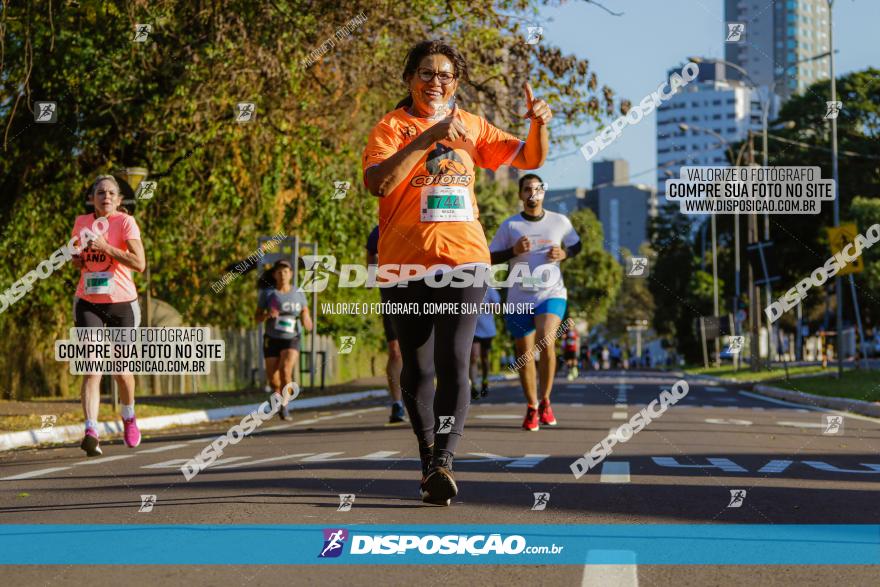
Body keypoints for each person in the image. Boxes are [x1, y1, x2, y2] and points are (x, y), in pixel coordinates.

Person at [362, 39, 551, 505]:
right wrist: (428, 137)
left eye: (445, 75)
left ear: (456, 82)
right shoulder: (391, 127)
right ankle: (428, 459)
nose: (436, 82)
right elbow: (378, 183)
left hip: (465, 262)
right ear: (409, 79)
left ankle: (445, 461)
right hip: (405, 265)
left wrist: (538, 123)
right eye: (426, 73)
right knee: (418, 367)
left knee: (454, 361)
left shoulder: (471, 126)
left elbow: (529, 159)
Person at [489, 174, 581, 431]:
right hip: (519, 297)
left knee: (546, 338)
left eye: (538, 189)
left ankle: (546, 400)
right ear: (520, 195)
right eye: (527, 189)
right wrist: (513, 251)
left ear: (543, 194)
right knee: (524, 352)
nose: (533, 193)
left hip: (551, 293)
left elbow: (576, 245)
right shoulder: (510, 227)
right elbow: (489, 256)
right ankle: (532, 406)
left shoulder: (559, 221)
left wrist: (564, 253)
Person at [72, 175, 147, 456]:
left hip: (122, 304)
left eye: (111, 193)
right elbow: (76, 256)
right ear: (92, 198)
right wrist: (78, 259)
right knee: (92, 367)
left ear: (118, 200)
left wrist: (106, 247)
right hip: (89, 301)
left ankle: (128, 414)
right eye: (100, 192)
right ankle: (91, 430)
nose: (105, 196)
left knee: (121, 371)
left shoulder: (126, 223)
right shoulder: (81, 222)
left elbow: (140, 263)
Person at [255, 260, 312, 421]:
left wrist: (306, 317)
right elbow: (257, 317)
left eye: (286, 271)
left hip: (292, 337)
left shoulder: (298, 292)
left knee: (286, 370)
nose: (283, 275)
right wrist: (266, 315)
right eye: (279, 272)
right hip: (272, 337)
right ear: (274, 274)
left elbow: (304, 308)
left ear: (291, 274)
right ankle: (278, 397)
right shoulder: (268, 293)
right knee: (273, 379)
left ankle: (284, 406)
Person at [366, 224, 406, 424]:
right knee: (395, 351)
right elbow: (371, 253)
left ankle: (424, 398)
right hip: (391, 295)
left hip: (421, 293)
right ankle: (397, 403)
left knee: (421, 349)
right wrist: (371, 275)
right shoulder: (380, 229)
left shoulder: (419, 221)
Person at [470, 287, 501, 400]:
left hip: (488, 330)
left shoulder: (491, 290)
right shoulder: (469, 288)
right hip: (473, 330)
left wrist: (483, 305)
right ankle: (474, 386)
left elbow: (497, 308)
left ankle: (485, 381)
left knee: (485, 358)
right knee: (473, 357)